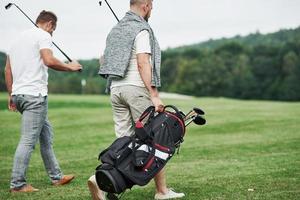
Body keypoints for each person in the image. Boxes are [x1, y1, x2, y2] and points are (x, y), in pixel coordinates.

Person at [88, 0, 185, 199]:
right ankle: (161, 192)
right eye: (152, 8)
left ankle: (105, 184)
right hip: (136, 89)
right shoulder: (141, 29)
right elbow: (143, 62)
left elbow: (103, 60)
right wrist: (154, 95)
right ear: (146, 5)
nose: (151, 12)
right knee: (154, 139)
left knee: (125, 142)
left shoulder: (116, 30)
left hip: (116, 90)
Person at [5, 10, 82, 193]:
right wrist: (70, 67)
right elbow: (48, 60)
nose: (52, 33)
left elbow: (8, 69)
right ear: (50, 25)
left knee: (46, 135)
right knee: (27, 140)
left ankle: (56, 176)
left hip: (19, 95)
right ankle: (18, 184)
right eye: (53, 30)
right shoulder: (44, 35)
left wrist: (11, 94)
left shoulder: (16, 40)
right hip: (34, 97)